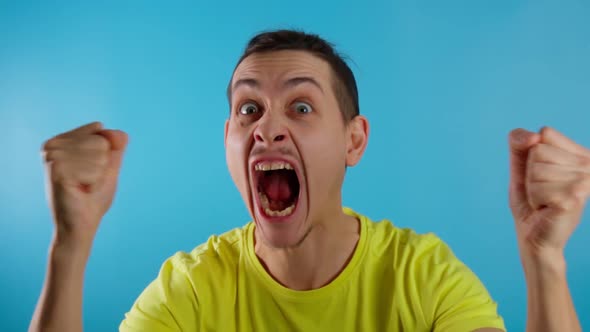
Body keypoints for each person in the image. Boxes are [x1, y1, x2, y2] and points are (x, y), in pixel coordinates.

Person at [29, 30, 587, 332]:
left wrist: (545, 261)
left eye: (300, 107)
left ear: (354, 141)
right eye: (249, 111)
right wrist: (70, 246)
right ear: (228, 138)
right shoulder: (193, 289)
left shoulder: (424, 278)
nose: (267, 128)